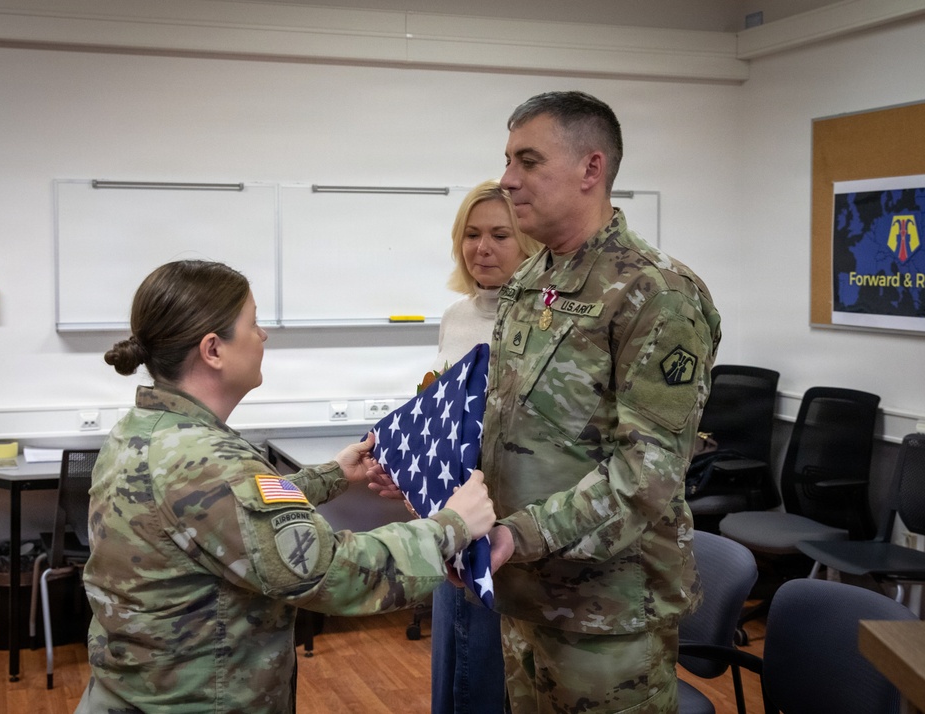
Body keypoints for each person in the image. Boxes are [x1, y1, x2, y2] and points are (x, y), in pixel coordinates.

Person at [74, 259, 496, 714]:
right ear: (213, 349)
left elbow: (232, 513)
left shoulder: (145, 430)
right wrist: (452, 526)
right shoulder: (208, 462)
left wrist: (332, 474)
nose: (263, 336)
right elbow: (330, 572)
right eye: (252, 324)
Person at [485, 91, 722, 713]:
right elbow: (507, 424)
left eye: (528, 161)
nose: (507, 179)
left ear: (591, 168)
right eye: (508, 160)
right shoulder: (530, 281)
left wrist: (520, 534)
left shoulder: (656, 292)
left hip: (608, 610)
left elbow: (648, 473)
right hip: (524, 589)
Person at [430, 180, 540, 714]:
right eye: (471, 234)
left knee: (490, 678)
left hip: (508, 521)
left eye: (500, 235)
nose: (482, 248)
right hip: (451, 512)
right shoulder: (456, 316)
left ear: (529, 242)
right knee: (453, 668)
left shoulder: (544, 319)